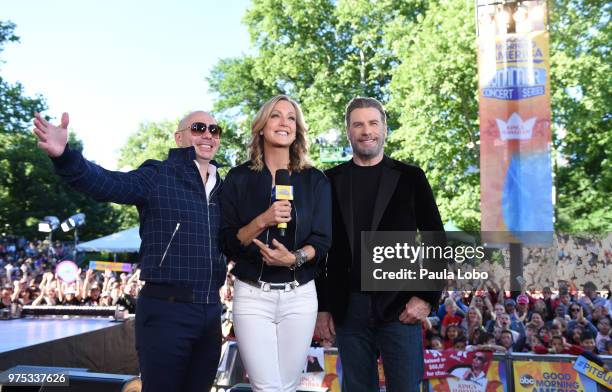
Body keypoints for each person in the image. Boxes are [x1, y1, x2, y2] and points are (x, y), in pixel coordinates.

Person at [32, 110, 226, 392]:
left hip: (210, 311)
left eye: (214, 129)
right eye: (198, 128)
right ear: (180, 137)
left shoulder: (223, 187)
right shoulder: (157, 175)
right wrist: (65, 156)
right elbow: (107, 183)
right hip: (165, 310)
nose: (208, 134)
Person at [315, 97, 445, 391]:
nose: (366, 131)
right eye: (358, 124)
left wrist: (425, 296)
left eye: (373, 123)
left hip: (401, 307)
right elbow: (321, 249)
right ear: (348, 131)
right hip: (349, 310)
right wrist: (323, 307)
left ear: (385, 129)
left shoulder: (411, 178)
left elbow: (436, 238)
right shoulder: (329, 181)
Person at [219, 95, 332, 391]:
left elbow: (322, 240)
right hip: (252, 296)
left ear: (298, 129)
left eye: (291, 118)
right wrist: (263, 220)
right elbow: (228, 240)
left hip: (300, 296)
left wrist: (293, 258)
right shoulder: (238, 177)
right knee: (267, 387)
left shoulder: (315, 180)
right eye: (276, 116)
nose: (284, 123)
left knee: (289, 386)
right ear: (261, 126)